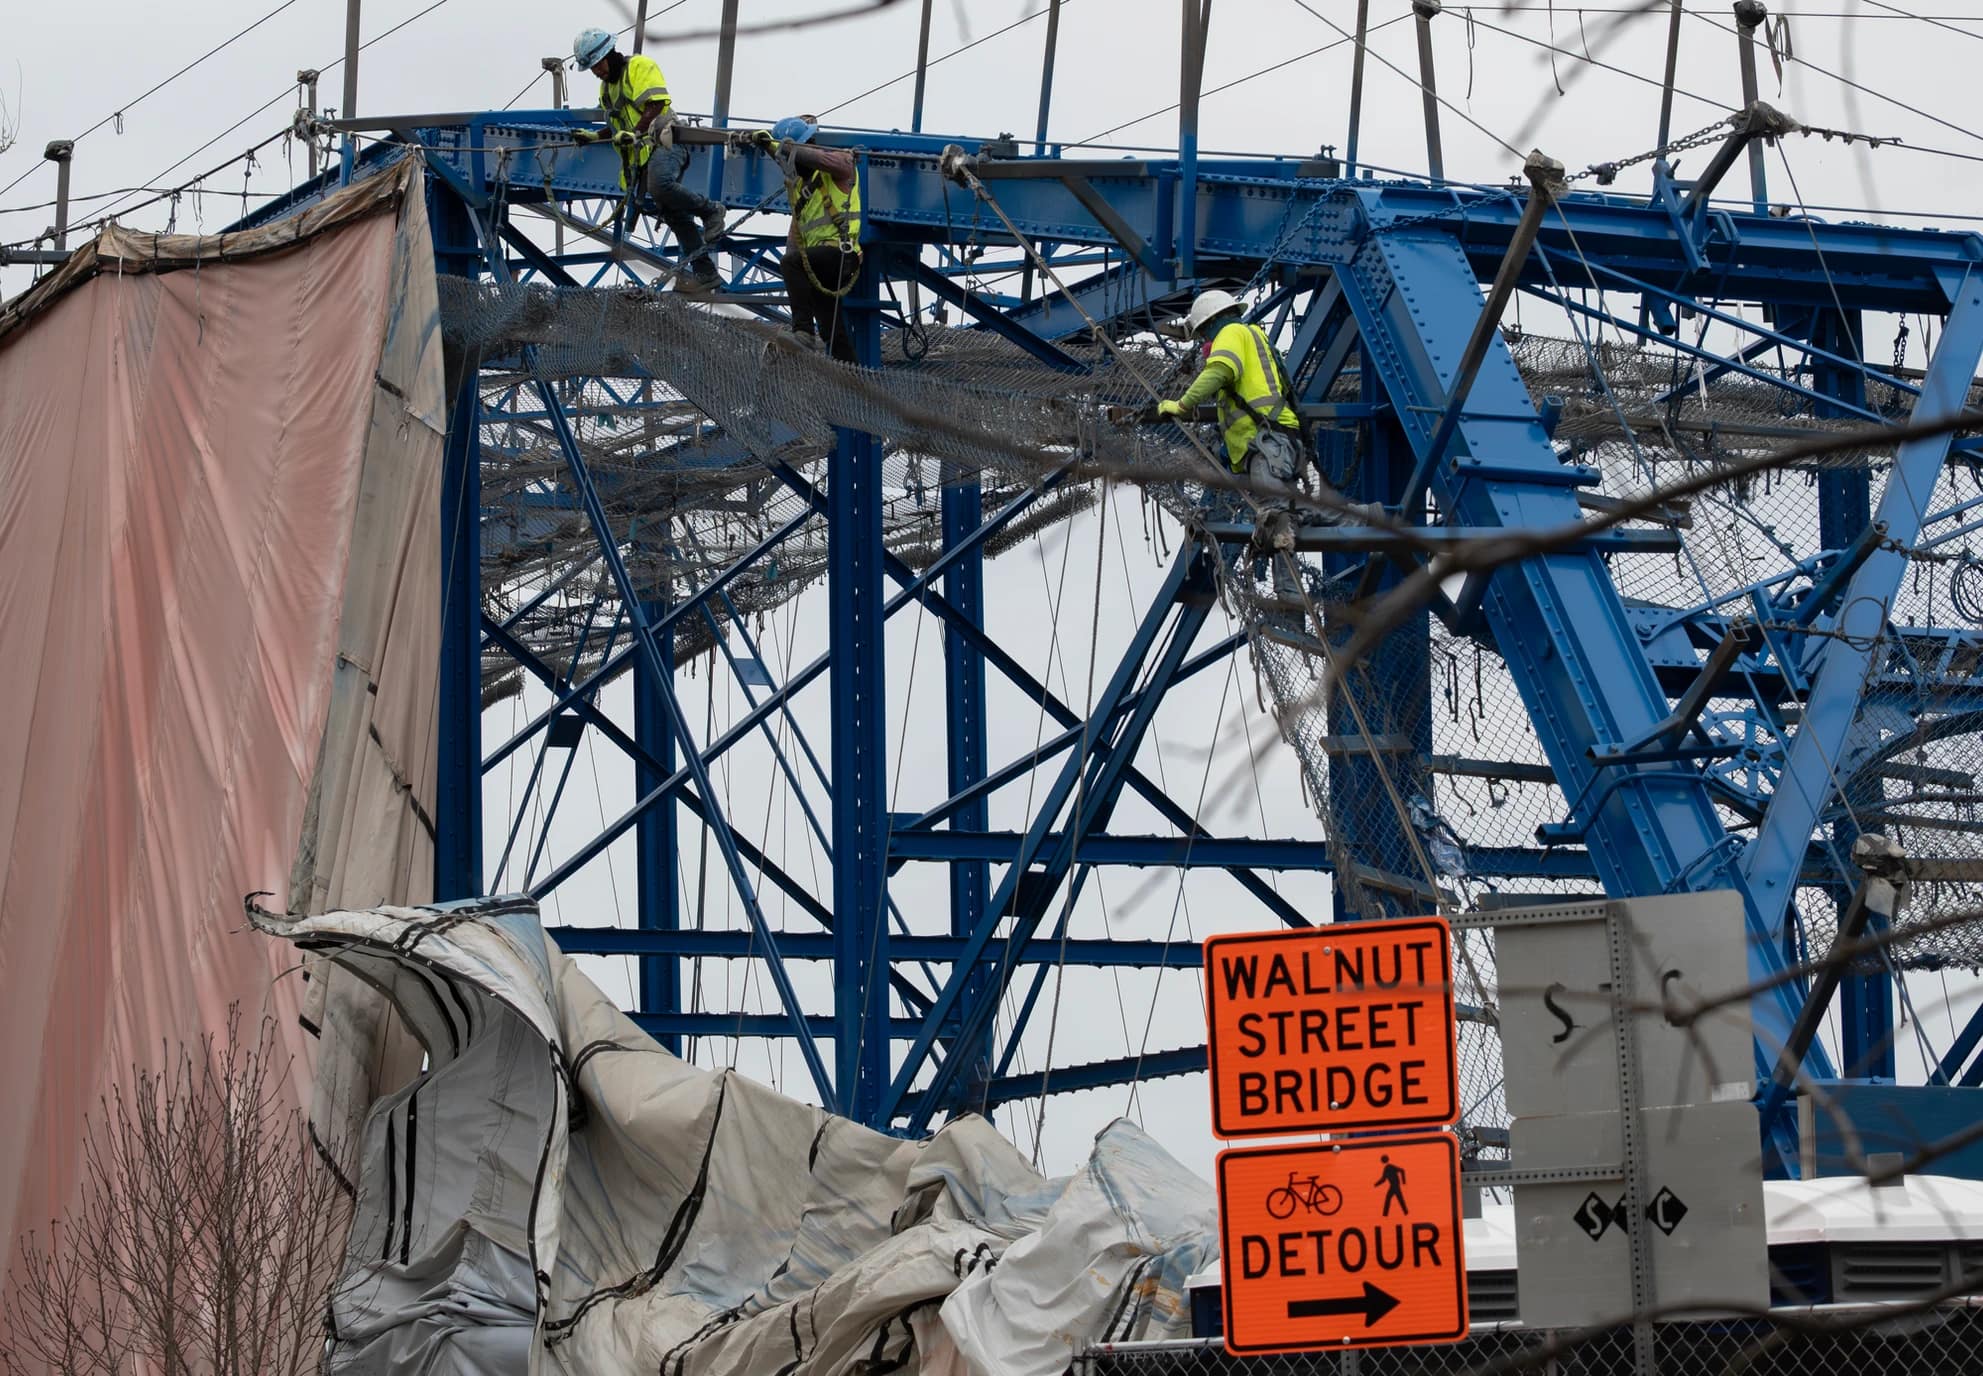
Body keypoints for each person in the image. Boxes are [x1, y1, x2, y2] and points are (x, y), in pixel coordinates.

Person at [1157, 289, 1309, 601]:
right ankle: (1365, 515)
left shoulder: (1231, 333)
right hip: (1275, 442)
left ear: (1210, 323)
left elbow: (1220, 371)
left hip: (1267, 443)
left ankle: (1290, 599)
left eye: (1201, 336)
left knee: (1275, 513)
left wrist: (1183, 406)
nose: (1203, 345)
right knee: (1294, 511)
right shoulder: (1251, 337)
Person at [569, 26, 726, 291]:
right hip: (641, 155)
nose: (597, 71)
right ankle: (706, 273)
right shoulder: (606, 90)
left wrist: (634, 132)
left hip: (665, 139)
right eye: (592, 68)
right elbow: (617, 122)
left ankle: (711, 210)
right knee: (673, 213)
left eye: (597, 64)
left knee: (660, 184)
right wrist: (596, 137)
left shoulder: (639, 67)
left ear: (608, 54)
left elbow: (655, 105)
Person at [750, 117, 863, 363]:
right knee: (831, 328)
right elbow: (795, 240)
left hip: (840, 255)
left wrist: (788, 147)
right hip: (821, 264)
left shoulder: (840, 165)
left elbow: (819, 158)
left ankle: (803, 333)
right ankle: (854, 381)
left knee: (790, 263)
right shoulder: (801, 189)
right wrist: (766, 141)